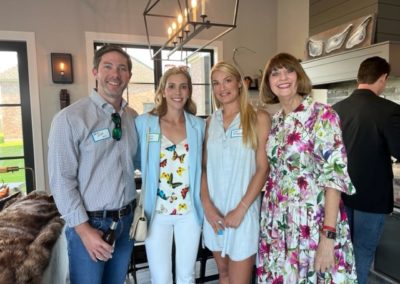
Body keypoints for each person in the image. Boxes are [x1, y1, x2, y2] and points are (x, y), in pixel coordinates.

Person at [256, 53, 357, 283]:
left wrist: (328, 236)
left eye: (288, 70)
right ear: (269, 83)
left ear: (298, 76)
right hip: (278, 223)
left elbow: (334, 177)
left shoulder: (322, 115)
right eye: (275, 73)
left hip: (312, 224)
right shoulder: (278, 120)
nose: (282, 77)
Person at [48, 44, 138, 284]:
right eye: (107, 66)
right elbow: (61, 180)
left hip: (126, 222)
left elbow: (142, 162)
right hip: (90, 224)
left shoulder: (132, 118)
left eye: (122, 68)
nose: (115, 74)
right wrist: (83, 230)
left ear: (129, 75)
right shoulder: (70, 119)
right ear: (95, 72)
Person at [201, 61, 270, 284]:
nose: (222, 88)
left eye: (227, 80)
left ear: (240, 83)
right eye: (216, 83)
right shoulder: (210, 122)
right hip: (215, 215)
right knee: (223, 274)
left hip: (243, 212)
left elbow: (263, 168)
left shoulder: (258, 118)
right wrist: (208, 208)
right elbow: (202, 169)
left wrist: (240, 210)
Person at [333, 56, 400, 284]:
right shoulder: (389, 110)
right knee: (362, 252)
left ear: (359, 78)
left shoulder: (335, 109)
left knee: (342, 253)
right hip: (372, 198)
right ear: (383, 78)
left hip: (339, 195)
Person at [135, 66, 205, 283]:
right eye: (172, 86)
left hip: (189, 213)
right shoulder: (144, 123)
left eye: (183, 87)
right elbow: (136, 159)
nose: (178, 92)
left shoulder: (198, 125)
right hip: (156, 213)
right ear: (163, 90)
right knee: (160, 276)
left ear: (189, 91)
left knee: (186, 275)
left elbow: (203, 166)